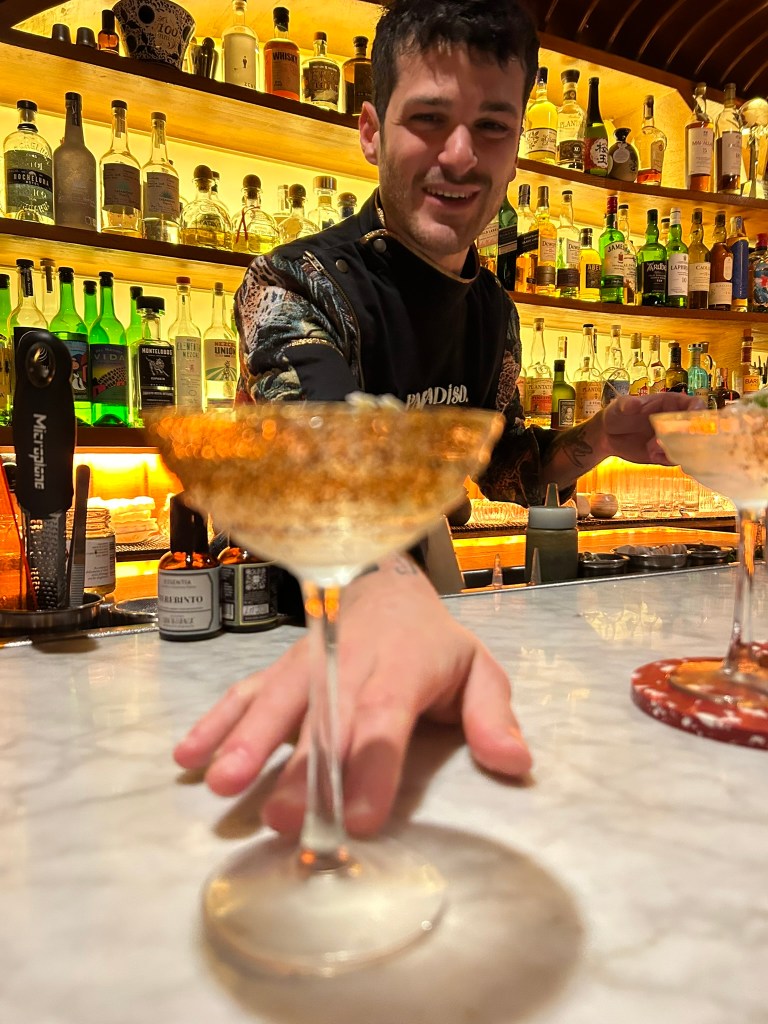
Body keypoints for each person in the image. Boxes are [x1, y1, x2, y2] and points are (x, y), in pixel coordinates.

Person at [174, 0, 700, 835]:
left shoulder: (491, 310)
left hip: (429, 638)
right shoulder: (296, 282)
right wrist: (393, 592)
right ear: (371, 132)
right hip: (284, 640)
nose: (460, 155)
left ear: (517, 148)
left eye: (492, 126)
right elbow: (324, 449)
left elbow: (507, 468)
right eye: (428, 119)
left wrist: (599, 439)